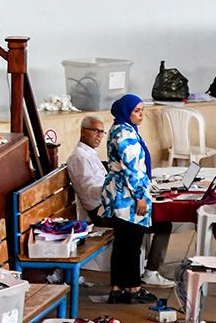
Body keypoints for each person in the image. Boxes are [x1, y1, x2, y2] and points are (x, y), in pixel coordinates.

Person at [69, 113, 173, 289]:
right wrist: (119, 188)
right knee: (155, 225)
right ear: (83, 131)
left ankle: (134, 279)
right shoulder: (80, 157)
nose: (99, 136)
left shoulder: (89, 154)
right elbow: (90, 190)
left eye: (102, 132)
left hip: (110, 203)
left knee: (143, 223)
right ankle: (147, 274)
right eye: (95, 131)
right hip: (101, 212)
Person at [102, 94, 170, 303]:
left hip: (120, 194)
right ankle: (132, 289)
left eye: (142, 110)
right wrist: (140, 196)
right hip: (128, 197)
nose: (141, 115)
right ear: (126, 111)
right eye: (137, 111)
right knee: (131, 243)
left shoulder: (120, 129)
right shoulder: (125, 135)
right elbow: (133, 170)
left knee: (123, 243)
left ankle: (117, 289)